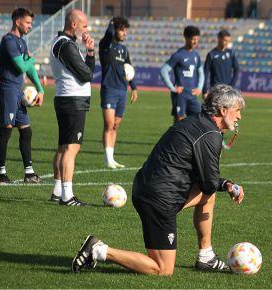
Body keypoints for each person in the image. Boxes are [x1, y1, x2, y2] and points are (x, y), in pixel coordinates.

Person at [71, 84, 245, 275]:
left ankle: (206, 256)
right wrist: (226, 185)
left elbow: (205, 182)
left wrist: (226, 184)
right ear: (223, 110)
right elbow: (209, 183)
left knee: (208, 196)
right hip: (160, 199)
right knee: (163, 268)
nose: (239, 117)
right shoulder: (211, 134)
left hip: (145, 187)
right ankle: (98, 250)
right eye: (238, 111)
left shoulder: (196, 121)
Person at [49, 9, 95, 205]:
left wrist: (90, 52)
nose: (87, 30)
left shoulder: (67, 44)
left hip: (67, 99)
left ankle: (57, 191)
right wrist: (88, 59)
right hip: (72, 100)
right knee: (71, 148)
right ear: (73, 25)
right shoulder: (65, 45)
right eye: (84, 26)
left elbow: (87, 72)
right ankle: (67, 196)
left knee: (63, 147)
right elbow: (87, 75)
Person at [0, 8, 44, 184]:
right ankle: (2, 174)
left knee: (26, 131)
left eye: (31, 23)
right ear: (17, 21)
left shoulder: (21, 42)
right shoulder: (9, 41)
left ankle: (29, 173)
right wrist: (31, 58)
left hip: (17, 91)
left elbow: (28, 69)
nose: (30, 26)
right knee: (6, 130)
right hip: (7, 90)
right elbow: (21, 67)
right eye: (28, 22)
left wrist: (40, 89)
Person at [99, 16, 138, 169]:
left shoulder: (124, 49)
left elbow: (129, 68)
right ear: (115, 29)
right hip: (109, 89)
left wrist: (133, 87)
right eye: (122, 30)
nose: (124, 33)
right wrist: (111, 22)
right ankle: (108, 158)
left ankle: (110, 157)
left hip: (122, 90)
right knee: (108, 124)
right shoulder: (105, 44)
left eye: (125, 30)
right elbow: (109, 35)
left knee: (115, 124)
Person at [160, 25, 204, 124]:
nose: (195, 42)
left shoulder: (196, 55)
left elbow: (201, 73)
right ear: (186, 38)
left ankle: (191, 140)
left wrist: (199, 88)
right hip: (180, 95)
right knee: (178, 122)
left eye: (197, 39)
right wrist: (172, 88)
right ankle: (175, 140)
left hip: (192, 95)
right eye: (193, 39)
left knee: (199, 120)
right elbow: (163, 70)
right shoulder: (178, 55)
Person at [203, 30, 239, 97]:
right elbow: (205, 72)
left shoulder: (231, 53)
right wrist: (204, 89)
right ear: (219, 39)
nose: (226, 43)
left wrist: (232, 85)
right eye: (225, 40)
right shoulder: (211, 54)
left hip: (228, 90)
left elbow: (237, 69)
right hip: (215, 89)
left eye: (228, 41)